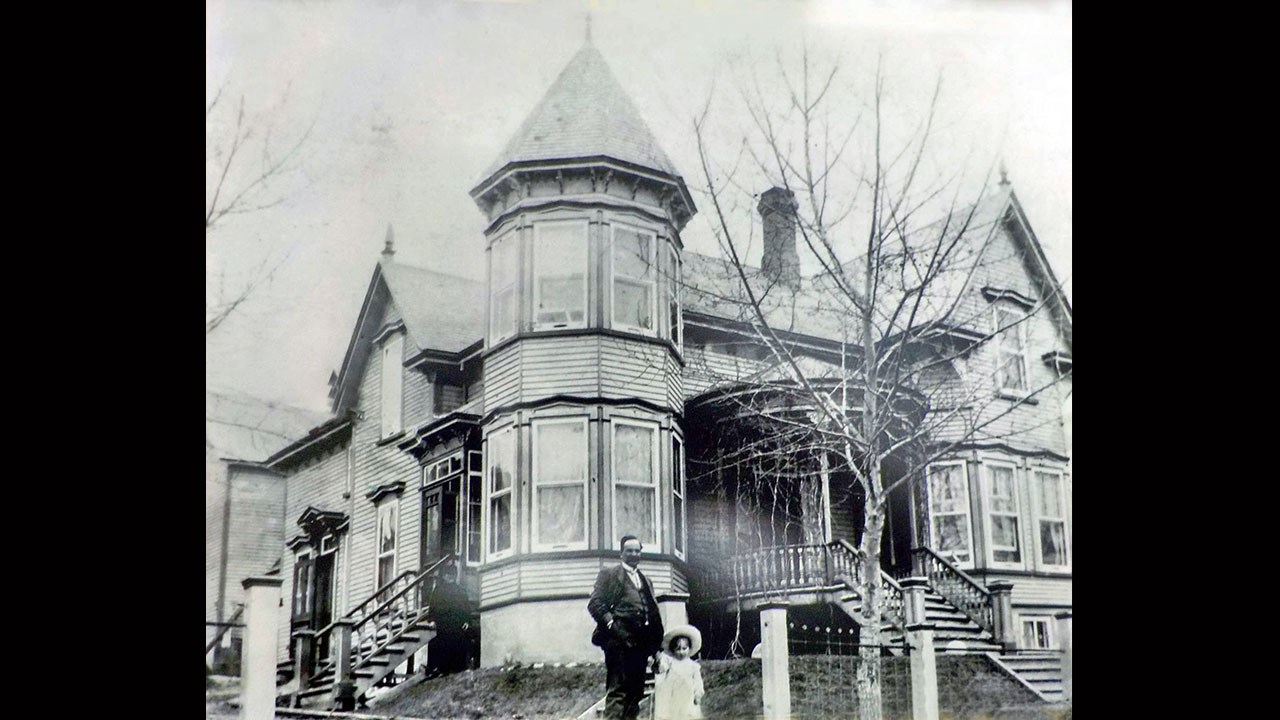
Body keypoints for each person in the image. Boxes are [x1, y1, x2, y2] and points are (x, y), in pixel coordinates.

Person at [588, 534, 664, 720]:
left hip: (640, 644)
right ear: (621, 554)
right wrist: (611, 622)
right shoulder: (609, 574)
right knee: (618, 691)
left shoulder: (646, 580)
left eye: (637, 551)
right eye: (629, 551)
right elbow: (595, 603)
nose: (633, 554)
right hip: (618, 641)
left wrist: (656, 649)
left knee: (635, 693)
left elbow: (652, 613)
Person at [653, 624, 705, 720]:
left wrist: (698, 693)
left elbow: (698, 681)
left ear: (689, 648)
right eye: (678, 649)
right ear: (673, 650)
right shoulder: (670, 662)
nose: (681, 652)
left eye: (684, 648)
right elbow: (661, 669)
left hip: (687, 697)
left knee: (687, 715)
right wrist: (658, 663)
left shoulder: (693, 666)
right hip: (672, 697)